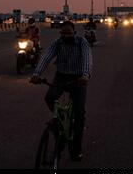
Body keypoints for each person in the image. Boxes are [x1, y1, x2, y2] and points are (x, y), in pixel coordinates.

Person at [31, 20, 92, 161]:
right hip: (61, 76)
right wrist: (36, 74)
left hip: (78, 79)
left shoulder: (82, 42)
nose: (65, 36)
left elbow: (88, 59)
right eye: (63, 33)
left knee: (79, 114)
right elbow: (46, 57)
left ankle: (76, 150)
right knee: (49, 98)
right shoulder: (58, 43)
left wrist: (85, 75)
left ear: (74, 32)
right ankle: (60, 124)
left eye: (68, 33)